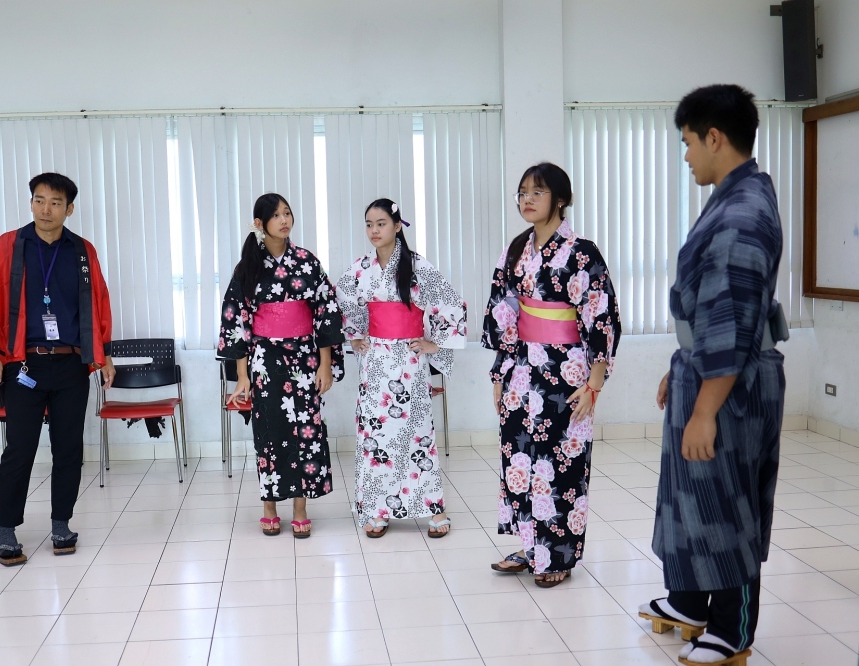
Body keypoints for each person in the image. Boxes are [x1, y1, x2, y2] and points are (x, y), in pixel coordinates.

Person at [639, 85, 786, 665]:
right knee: (691, 497)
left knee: (728, 504)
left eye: (688, 142)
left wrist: (705, 408)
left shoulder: (743, 213)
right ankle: (690, 602)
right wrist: (681, 369)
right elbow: (709, 311)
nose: (686, 155)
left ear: (715, 138)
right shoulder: (734, 196)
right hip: (707, 371)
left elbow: (733, 319)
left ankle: (732, 628)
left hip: (732, 386)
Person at [483, 162, 620, 587]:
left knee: (561, 463)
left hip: (566, 372)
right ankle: (531, 547)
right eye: (522, 192)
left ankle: (557, 555)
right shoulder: (516, 250)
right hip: (522, 369)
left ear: (560, 200)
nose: (527, 199)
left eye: (537, 192)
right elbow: (504, 313)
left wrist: (594, 382)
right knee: (520, 457)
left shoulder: (582, 252)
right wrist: (500, 375)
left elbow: (601, 316)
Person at [0, 172, 115, 566]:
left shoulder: (82, 251)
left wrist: (104, 357)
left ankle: (61, 526)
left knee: (69, 449)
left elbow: (99, 304)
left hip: (71, 363)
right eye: (39, 200)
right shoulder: (8, 246)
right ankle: (6, 532)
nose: (45, 209)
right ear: (31, 203)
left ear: (69, 209)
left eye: (55, 202)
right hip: (23, 363)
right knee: (19, 449)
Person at [336, 199, 467, 538]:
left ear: (397, 226)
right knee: (376, 435)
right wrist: (355, 336)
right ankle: (378, 510)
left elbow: (449, 302)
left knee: (416, 433)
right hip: (376, 360)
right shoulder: (360, 268)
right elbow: (345, 300)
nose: (374, 230)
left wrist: (434, 343)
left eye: (381, 223)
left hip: (409, 360)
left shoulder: (418, 266)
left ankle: (433, 508)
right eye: (369, 224)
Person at [219, 193, 345, 538]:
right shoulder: (248, 267)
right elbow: (237, 321)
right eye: (276, 215)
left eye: (287, 213)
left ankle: (301, 508)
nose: (284, 220)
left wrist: (324, 365)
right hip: (265, 359)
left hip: (304, 356)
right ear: (260, 224)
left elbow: (325, 312)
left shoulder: (306, 261)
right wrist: (242, 376)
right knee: (270, 432)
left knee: (306, 431)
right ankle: (270, 507)